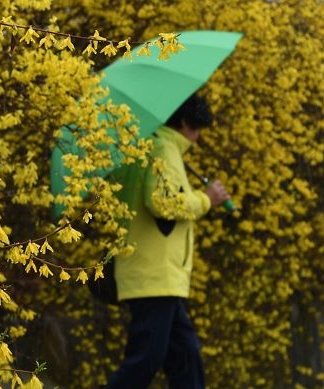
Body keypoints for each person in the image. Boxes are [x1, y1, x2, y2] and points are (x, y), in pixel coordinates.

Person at [106, 94, 231, 389]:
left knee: (187, 360)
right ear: (185, 121)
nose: (197, 139)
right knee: (145, 361)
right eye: (197, 130)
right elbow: (163, 202)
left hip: (160, 276)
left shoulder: (152, 146)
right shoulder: (162, 148)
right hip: (154, 274)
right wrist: (206, 199)